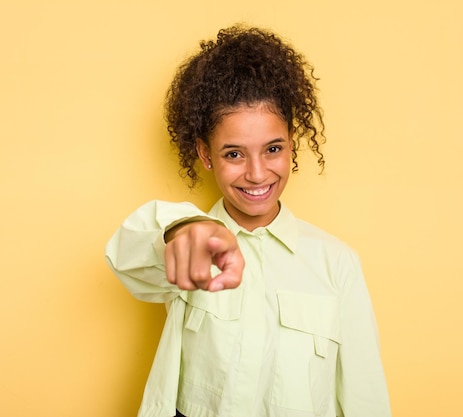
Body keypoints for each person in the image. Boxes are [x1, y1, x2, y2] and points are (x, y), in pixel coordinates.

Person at [105, 25, 391, 417]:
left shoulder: (337, 263)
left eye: (272, 149)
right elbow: (128, 254)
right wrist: (182, 229)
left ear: (292, 142)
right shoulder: (190, 245)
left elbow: (365, 398)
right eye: (234, 155)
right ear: (205, 155)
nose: (257, 174)